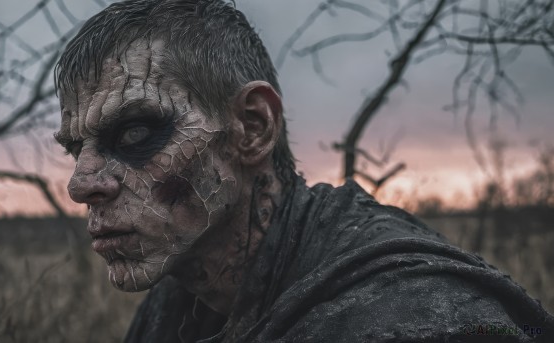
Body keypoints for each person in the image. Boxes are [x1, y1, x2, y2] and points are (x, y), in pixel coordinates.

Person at [54, 0, 553, 341]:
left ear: (252, 127)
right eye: (77, 149)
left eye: (136, 134)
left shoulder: (413, 317)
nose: (81, 184)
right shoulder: (179, 298)